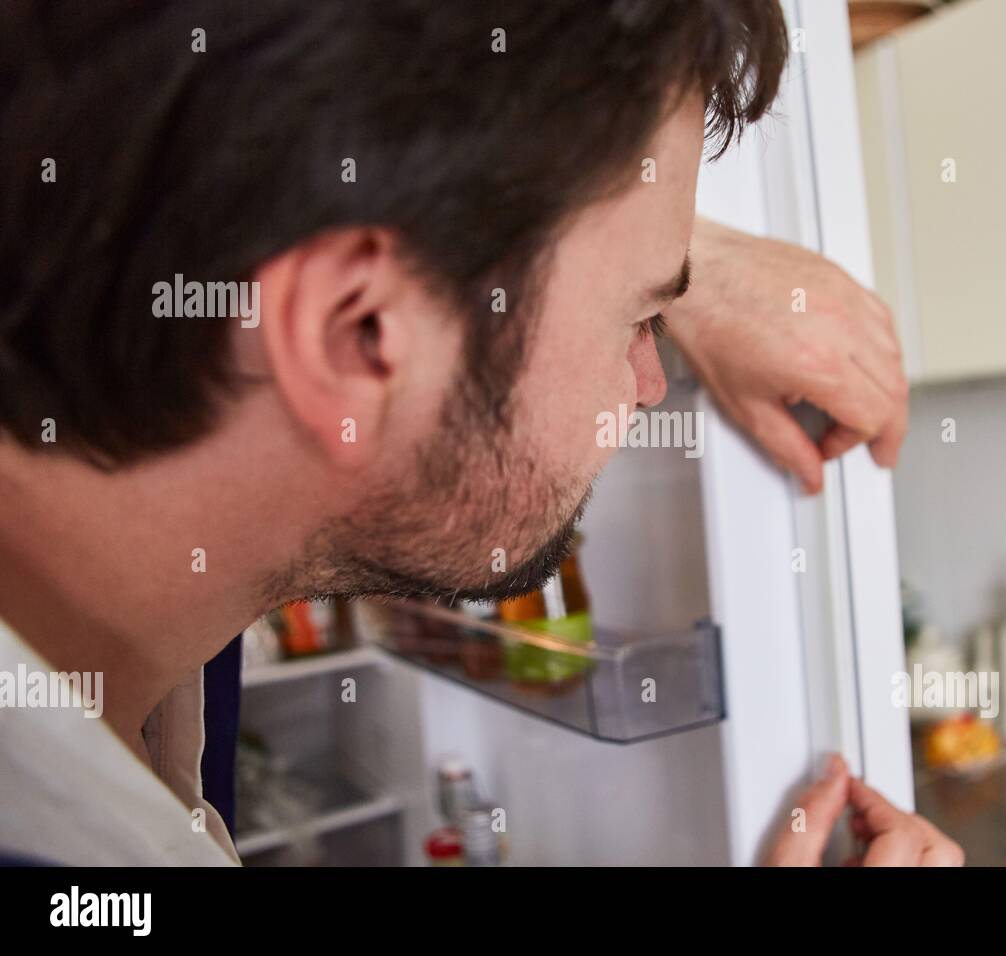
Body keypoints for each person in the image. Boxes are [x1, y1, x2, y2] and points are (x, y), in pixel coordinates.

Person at [0, 0, 946, 866]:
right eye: (639, 319)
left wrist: (686, 261)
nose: (652, 384)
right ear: (358, 335)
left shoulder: (144, 650)